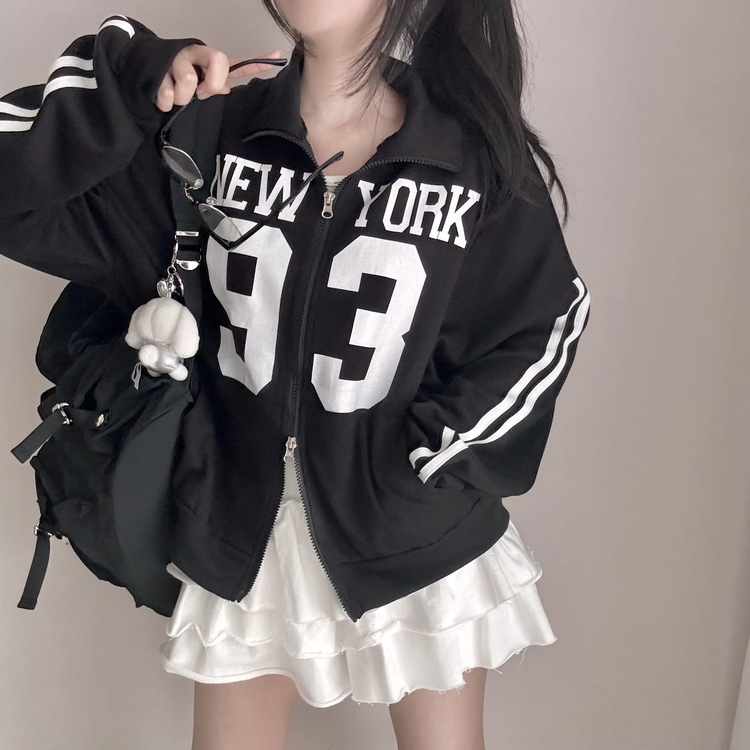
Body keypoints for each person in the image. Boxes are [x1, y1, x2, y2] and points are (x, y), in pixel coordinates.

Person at [0, 1, 592, 748]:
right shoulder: (208, 132)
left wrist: (439, 457)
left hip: (414, 535)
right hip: (238, 531)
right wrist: (131, 86)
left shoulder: (466, 151)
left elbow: (545, 317)